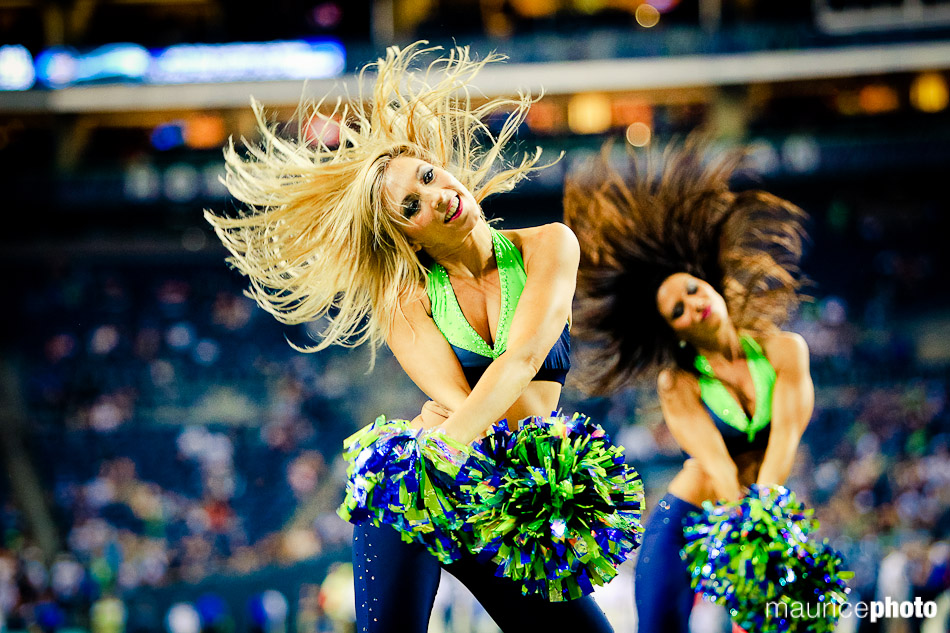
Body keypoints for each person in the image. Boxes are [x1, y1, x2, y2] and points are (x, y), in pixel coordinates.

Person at [205, 42, 613, 633]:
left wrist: (448, 435)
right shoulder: (407, 302)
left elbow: (524, 361)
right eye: (412, 205)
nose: (438, 194)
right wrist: (446, 440)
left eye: (428, 175)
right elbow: (475, 410)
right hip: (423, 489)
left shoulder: (550, 245)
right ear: (408, 239)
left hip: (506, 493)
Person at [563, 140, 814, 633]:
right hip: (689, 518)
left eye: (692, 290)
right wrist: (749, 527)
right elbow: (719, 469)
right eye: (677, 309)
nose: (692, 304)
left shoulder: (786, 351)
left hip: (759, 511)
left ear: (711, 285)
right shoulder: (677, 384)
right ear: (674, 331)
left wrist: (763, 524)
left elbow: (784, 438)